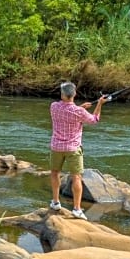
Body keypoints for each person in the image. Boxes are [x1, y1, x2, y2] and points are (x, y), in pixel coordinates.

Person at [49, 81, 107, 220]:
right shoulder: (79, 112)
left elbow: (67, 112)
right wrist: (99, 104)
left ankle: (55, 202)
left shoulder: (54, 106)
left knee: (55, 173)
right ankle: (76, 209)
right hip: (73, 148)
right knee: (76, 177)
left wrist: (81, 108)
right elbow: (94, 120)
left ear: (62, 94)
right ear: (74, 94)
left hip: (56, 147)